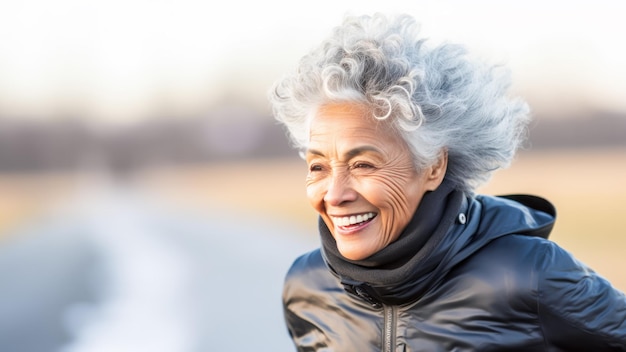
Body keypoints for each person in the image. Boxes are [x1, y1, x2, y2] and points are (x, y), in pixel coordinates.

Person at [268, 13, 626, 351]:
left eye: (363, 164)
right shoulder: (306, 286)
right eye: (318, 166)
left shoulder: (528, 274)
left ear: (434, 166)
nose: (334, 193)